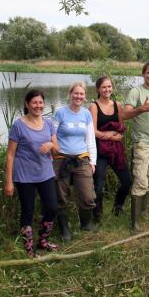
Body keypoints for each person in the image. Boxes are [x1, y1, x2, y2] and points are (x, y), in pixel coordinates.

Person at [5, 89, 59, 257]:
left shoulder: (49, 123)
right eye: (34, 102)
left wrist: (51, 145)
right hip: (24, 176)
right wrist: (9, 182)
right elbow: (10, 154)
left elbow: (57, 151)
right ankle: (30, 250)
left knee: (52, 208)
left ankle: (43, 240)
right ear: (27, 104)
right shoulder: (18, 125)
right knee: (27, 211)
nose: (38, 106)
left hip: (46, 173)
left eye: (40, 102)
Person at [123, 61, 149, 233]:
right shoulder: (136, 91)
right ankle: (135, 224)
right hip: (142, 144)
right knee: (140, 181)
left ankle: (143, 211)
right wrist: (141, 109)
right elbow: (124, 114)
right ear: (143, 74)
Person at [53, 82, 97, 242]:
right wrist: (53, 153)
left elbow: (90, 139)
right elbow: (52, 136)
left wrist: (92, 161)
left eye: (81, 94)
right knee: (60, 195)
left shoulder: (86, 114)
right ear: (70, 94)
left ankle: (85, 223)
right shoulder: (60, 113)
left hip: (81, 158)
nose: (78, 96)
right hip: (61, 160)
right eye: (75, 93)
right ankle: (64, 229)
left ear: (85, 96)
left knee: (87, 195)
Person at [88, 76, 132, 221]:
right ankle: (97, 215)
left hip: (115, 150)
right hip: (99, 151)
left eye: (109, 87)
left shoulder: (117, 105)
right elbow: (93, 131)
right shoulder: (93, 106)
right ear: (98, 89)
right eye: (103, 87)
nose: (107, 90)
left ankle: (117, 207)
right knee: (98, 186)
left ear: (112, 88)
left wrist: (115, 135)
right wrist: (111, 136)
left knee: (127, 181)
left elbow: (121, 128)